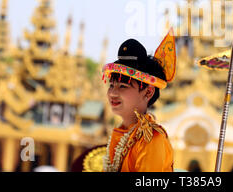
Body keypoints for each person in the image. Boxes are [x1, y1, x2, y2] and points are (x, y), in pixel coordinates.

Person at [72, 29, 176, 172]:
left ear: (148, 92)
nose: (113, 93)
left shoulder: (151, 140)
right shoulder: (122, 134)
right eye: (111, 85)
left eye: (123, 86)